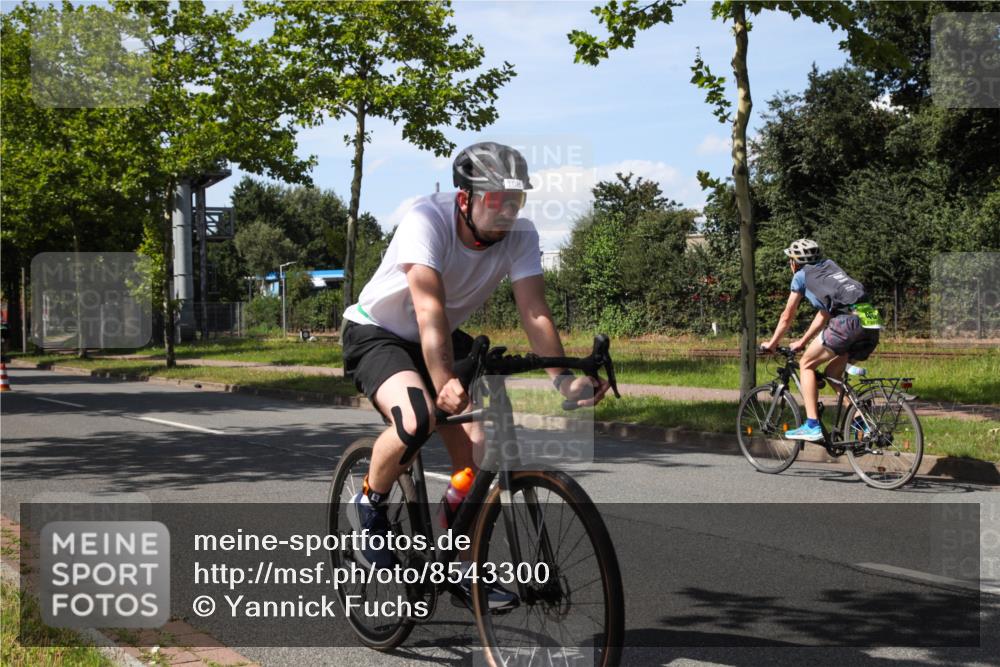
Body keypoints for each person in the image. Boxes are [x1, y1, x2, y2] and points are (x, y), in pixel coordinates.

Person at [339, 141, 610, 609]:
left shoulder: (520, 236)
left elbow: (535, 313)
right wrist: (443, 380)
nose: (507, 211)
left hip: (443, 332)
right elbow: (428, 308)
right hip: (379, 331)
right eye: (496, 199)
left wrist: (564, 380)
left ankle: (455, 558)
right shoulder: (426, 218)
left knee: (485, 453)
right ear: (465, 198)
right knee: (418, 418)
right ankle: (370, 503)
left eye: (516, 200)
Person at [761, 238, 883, 441]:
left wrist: (772, 344)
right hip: (871, 318)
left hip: (848, 322)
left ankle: (812, 425)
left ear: (794, 262)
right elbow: (824, 314)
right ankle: (864, 423)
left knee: (806, 364)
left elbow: (787, 315)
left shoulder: (801, 276)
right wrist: (802, 342)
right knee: (832, 373)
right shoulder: (830, 267)